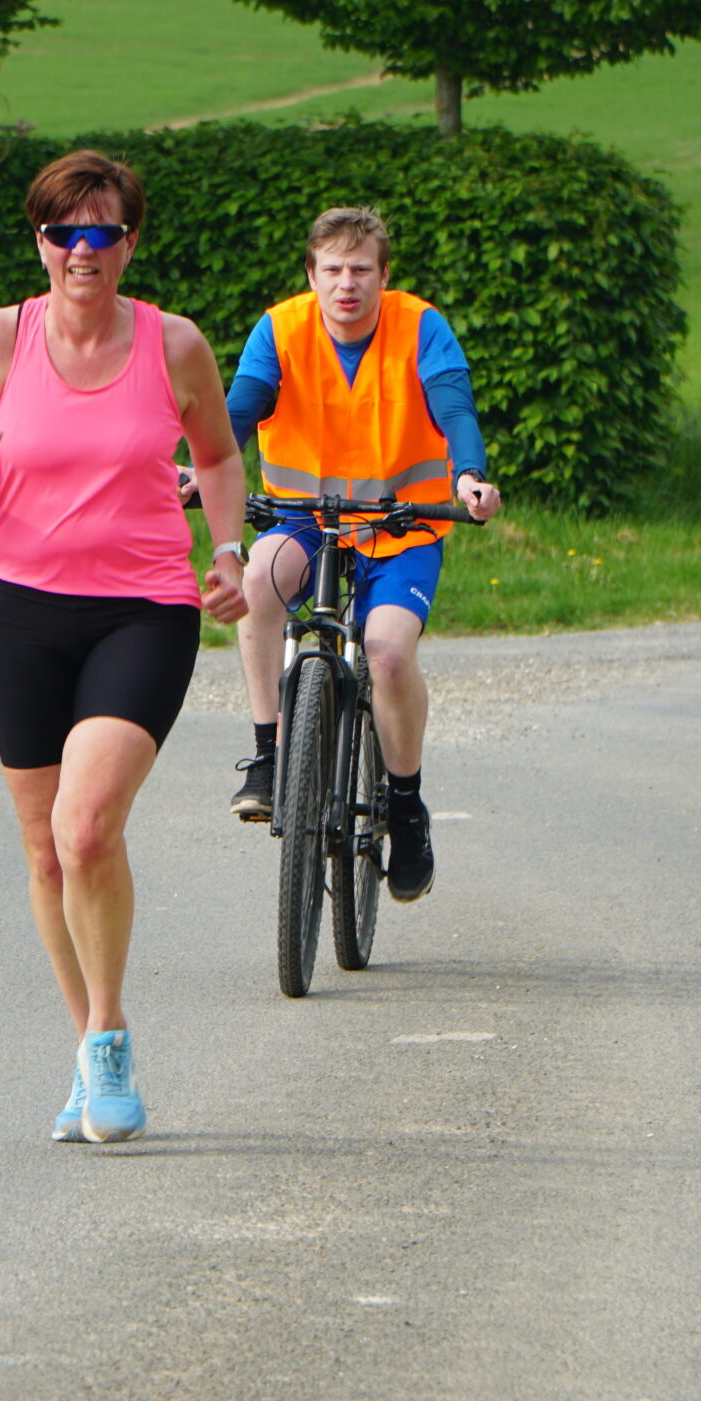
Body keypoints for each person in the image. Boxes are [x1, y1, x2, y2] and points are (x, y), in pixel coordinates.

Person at [0, 150, 248, 1145]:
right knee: (44, 852)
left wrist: (228, 550)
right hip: (21, 614)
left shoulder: (173, 344)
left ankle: (107, 1038)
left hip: (144, 608)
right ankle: (91, 1041)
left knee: (85, 827)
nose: (81, 252)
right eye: (63, 233)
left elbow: (219, 455)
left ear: (130, 243)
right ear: (40, 242)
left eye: (102, 233)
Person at [221, 207, 501, 902]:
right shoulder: (280, 329)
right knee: (257, 585)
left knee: (388, 651)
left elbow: (454, 409)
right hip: (305, 518)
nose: (346, 284)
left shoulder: (420, 326)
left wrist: (468, 475)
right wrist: (202, 467)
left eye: (361, 270)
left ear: (384, 275)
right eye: (333, 270)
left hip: (402, 527)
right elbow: (239, 409)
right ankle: (268, 755)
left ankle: (404, 806)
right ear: (311, 274)